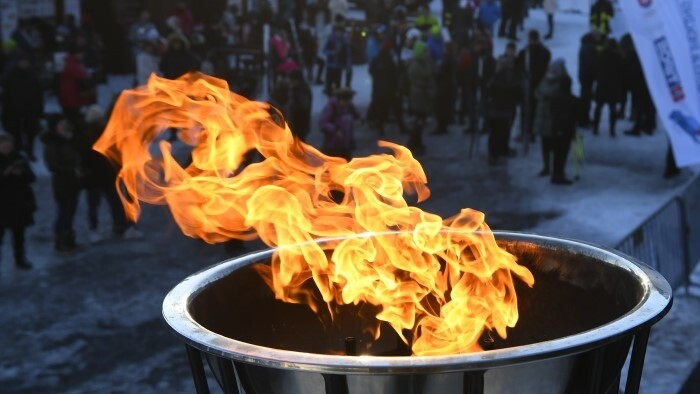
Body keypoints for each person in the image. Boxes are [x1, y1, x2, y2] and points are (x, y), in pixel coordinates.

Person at [42, 117, 83, 252]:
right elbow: (52, 166)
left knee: (70, 211)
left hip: (73, 182)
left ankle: (69, 239)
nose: (63, 126)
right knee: (63, 212)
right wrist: (72, 170)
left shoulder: (70, 140)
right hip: (62, 182)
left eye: (64, 123)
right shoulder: (53, 144)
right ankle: (60, 242)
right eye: (60, 124)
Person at [0, 133, 35, 270]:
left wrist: (22, 174)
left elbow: (32, 178)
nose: (6, 148)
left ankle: (20, 260)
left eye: (8, 145)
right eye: (3, 145)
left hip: (19, 204)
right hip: (2, 205)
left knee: (19, 236)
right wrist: (5, 173)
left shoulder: (19, 158)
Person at [1, 52, 43, 161]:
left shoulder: (32, 74)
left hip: (31, 109)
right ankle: (18, 151)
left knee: (30, 132)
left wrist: (39, 108)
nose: (23, 63)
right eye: (21, 61)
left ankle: (29, 151)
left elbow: (38, 93)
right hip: (15, 109)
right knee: (16, 131)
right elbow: (7, 94)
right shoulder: (10, 75)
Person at [533, 58, 570, 178]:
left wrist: (545, 96)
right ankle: (546, 166)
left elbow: (555, 96)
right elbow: (537, 91)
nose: (550, 71)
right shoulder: (545, 79)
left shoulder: (561, 82)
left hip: (553, 117)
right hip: (542, 116)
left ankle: (555, 168)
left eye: (552, 69)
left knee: (554, 145)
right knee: (545, 144)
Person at [516, 30, 552, 141]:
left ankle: (527, 132)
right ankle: (530, 131)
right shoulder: (543, 51)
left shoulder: (527, 52)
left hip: (532, 84)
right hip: (535, 84)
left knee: (528, 109)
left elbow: (519, 66)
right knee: (533, 109)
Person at [485, 56, 520, 164]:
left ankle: (494, 154)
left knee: (495, 133)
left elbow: (489, 91)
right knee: (500, 133)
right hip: (503, 109)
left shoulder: (497, 77)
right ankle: (495, 154)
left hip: (497, 108)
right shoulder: (508, 77)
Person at [406, 41, 436, 155]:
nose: (427, 53)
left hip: (422, 95)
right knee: (419, 121)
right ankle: (413, 143)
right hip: (419, 96)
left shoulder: (422, 63)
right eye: (425, 51)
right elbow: (424, 79)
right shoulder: (416, 66)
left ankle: (417, 142)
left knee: (421, 121)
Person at [368, 40, 401, 135]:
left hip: (378, 88)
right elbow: (394, 75)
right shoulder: (390, 60)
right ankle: (400, 126)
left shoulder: (377, 59)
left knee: (380, 108)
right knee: (395, 107)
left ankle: (380, 126)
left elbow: (371, 71)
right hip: (389, 88)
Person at [593, 38, 624, 137]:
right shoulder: (618, 57)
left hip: (602, 84)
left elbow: (596, 68)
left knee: (598, 107)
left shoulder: (601, 55)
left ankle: (595, 127)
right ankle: (612, 129)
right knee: (613, 108)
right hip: (614, 86)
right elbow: (621, 72)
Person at [319, 88, 361, 161]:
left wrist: (359, 120)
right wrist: (335, 129)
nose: (347, 103)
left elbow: (357, 115)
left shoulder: (349, 106)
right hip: (332, 146)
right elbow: (323, 123)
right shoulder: (332, 107)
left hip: (346, 145)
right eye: (346, 101)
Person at [550, 70, 577, 185]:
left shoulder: (555, 99)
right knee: (563, 153)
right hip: (567, 129)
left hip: (556, 128)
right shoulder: (573, 100)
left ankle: (556, 173)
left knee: (557, 153)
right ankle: (559, 174)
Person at [59, 48, 90, 126]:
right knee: (73, 116)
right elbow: (80, 76)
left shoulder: (71, 62)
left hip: (70, 94)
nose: (81, 56)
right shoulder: (72, 64)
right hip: (72, 94)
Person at [577, 29, 602, 128]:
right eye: (599, 36)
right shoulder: (590, 47)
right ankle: (583, 120)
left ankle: (584, 118)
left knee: (585, 98)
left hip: (585, 75)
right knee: (585, 99)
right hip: (587, 76)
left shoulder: (587, 44)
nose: (600, 38)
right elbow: (591, 63)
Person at [322, 24, 351, 95]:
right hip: (330, 65)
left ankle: (337, 97)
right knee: (329, 82)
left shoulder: (344, 41)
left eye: (340, 32)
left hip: (339, 65)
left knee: (338, 83)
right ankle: (329, 95)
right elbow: (324, 51)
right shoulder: (330, 40)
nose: (338, 33)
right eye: (337, 31)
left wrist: (347, 64)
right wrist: (331, 52)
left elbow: (347, 54)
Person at [285, 70, 313, 141]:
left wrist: (291, 105)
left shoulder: (303, 91)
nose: (290, 82)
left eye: (292, 80)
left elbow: (303, 107)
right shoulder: (295, 89)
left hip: (300, 124)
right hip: (295, 123)